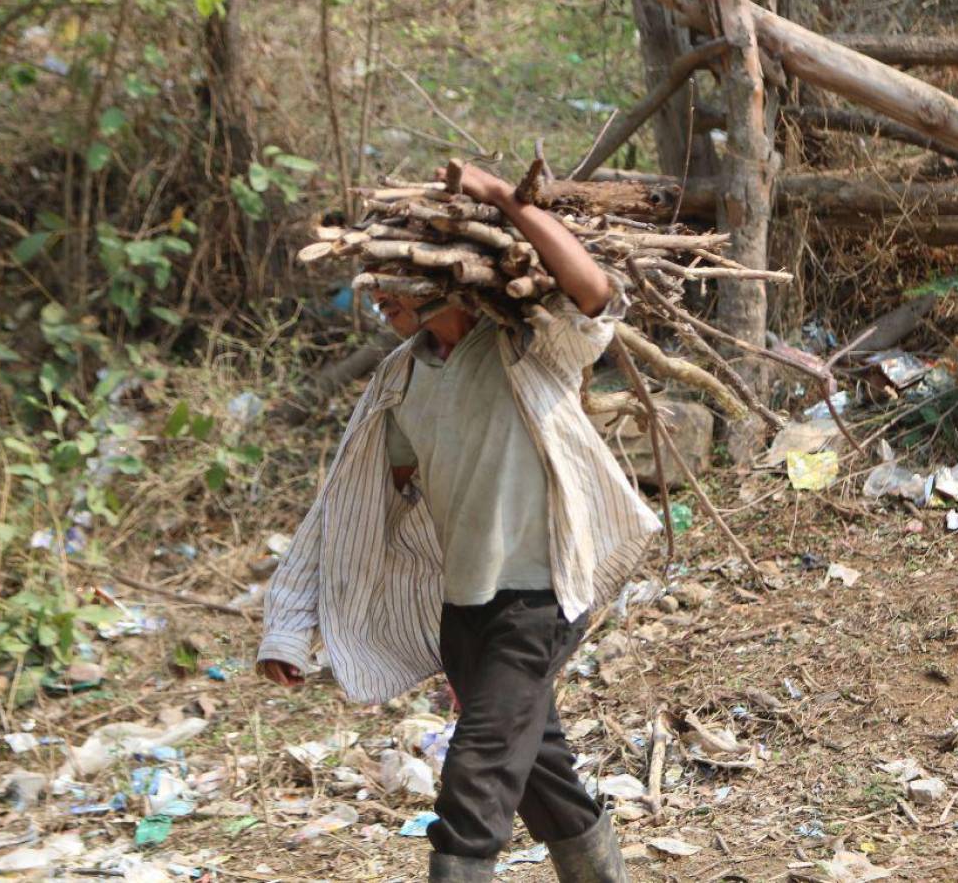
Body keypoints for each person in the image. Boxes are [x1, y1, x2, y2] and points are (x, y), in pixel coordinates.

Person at [258, 163, 660, 882]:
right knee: (540, 768)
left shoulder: (526, 349)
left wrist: (507, 199)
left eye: (395, 286)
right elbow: (348, 501)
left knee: (475, 778)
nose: (379, 299)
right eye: (377, 286)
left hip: (538, 597)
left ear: (446, 283)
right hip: (462, 608)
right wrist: (289, 621)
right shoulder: (402, 377)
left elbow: (596, 295)